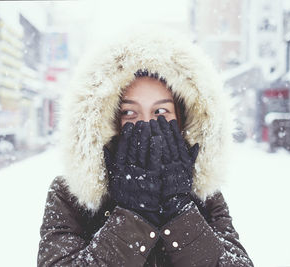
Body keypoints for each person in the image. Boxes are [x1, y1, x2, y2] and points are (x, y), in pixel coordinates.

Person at [37, 27, 254, 266]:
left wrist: (179, 211)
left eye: (161, 111)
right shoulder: (70, 196)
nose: (147, 125)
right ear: (108, 121)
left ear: (182, 119)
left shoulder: (205, 196)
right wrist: (133, 215)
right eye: (130, 112)